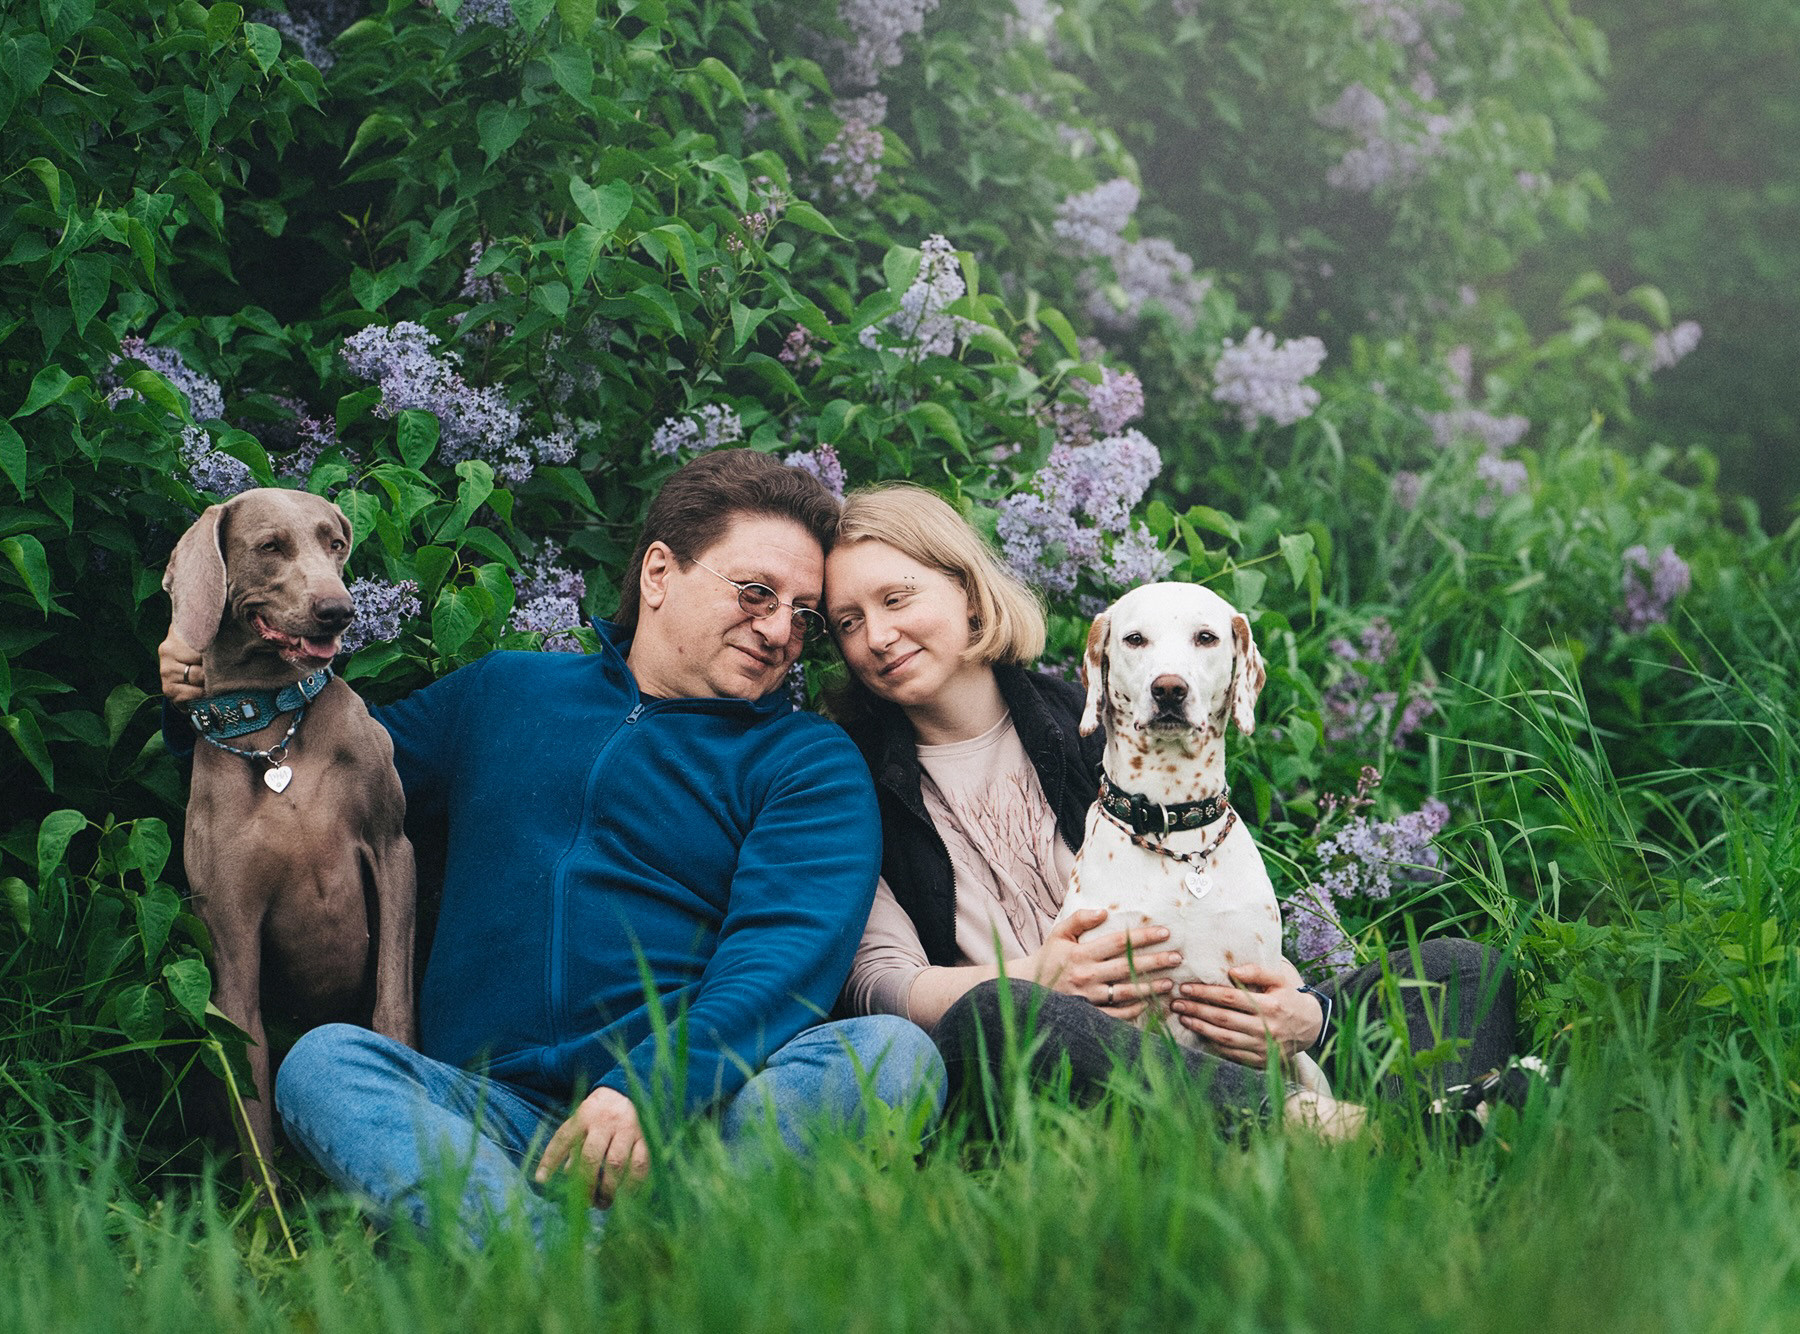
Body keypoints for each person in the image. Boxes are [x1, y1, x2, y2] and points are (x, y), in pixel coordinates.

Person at [159, 452, 943, 1242]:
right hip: (486, 1116)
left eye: (803, 616)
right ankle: (654, 1264)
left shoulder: (806, 761)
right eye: (756, 594)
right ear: (660, 573)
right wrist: (205, 696)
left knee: (890, 1055)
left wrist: (649, 1090)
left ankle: (553, 1262)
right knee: (325, 1066)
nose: (780, 631)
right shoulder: (505, 694)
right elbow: (311, 771)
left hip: (696, 1118)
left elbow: (782, 961)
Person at [824, 482, 1520, 1128]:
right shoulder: (848, 778)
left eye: (897, 599)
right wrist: (1033, 977)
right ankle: (1343, 1129)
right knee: (1000, 1016)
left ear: (970, 593)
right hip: (1053, 1061)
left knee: (1464, 968)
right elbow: (879, 984)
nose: (876, 637)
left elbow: (1223, 916)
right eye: (848, 622)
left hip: (1210, 1035)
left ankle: (1408, 1131)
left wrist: (1306, 1015)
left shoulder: (1102, 716)